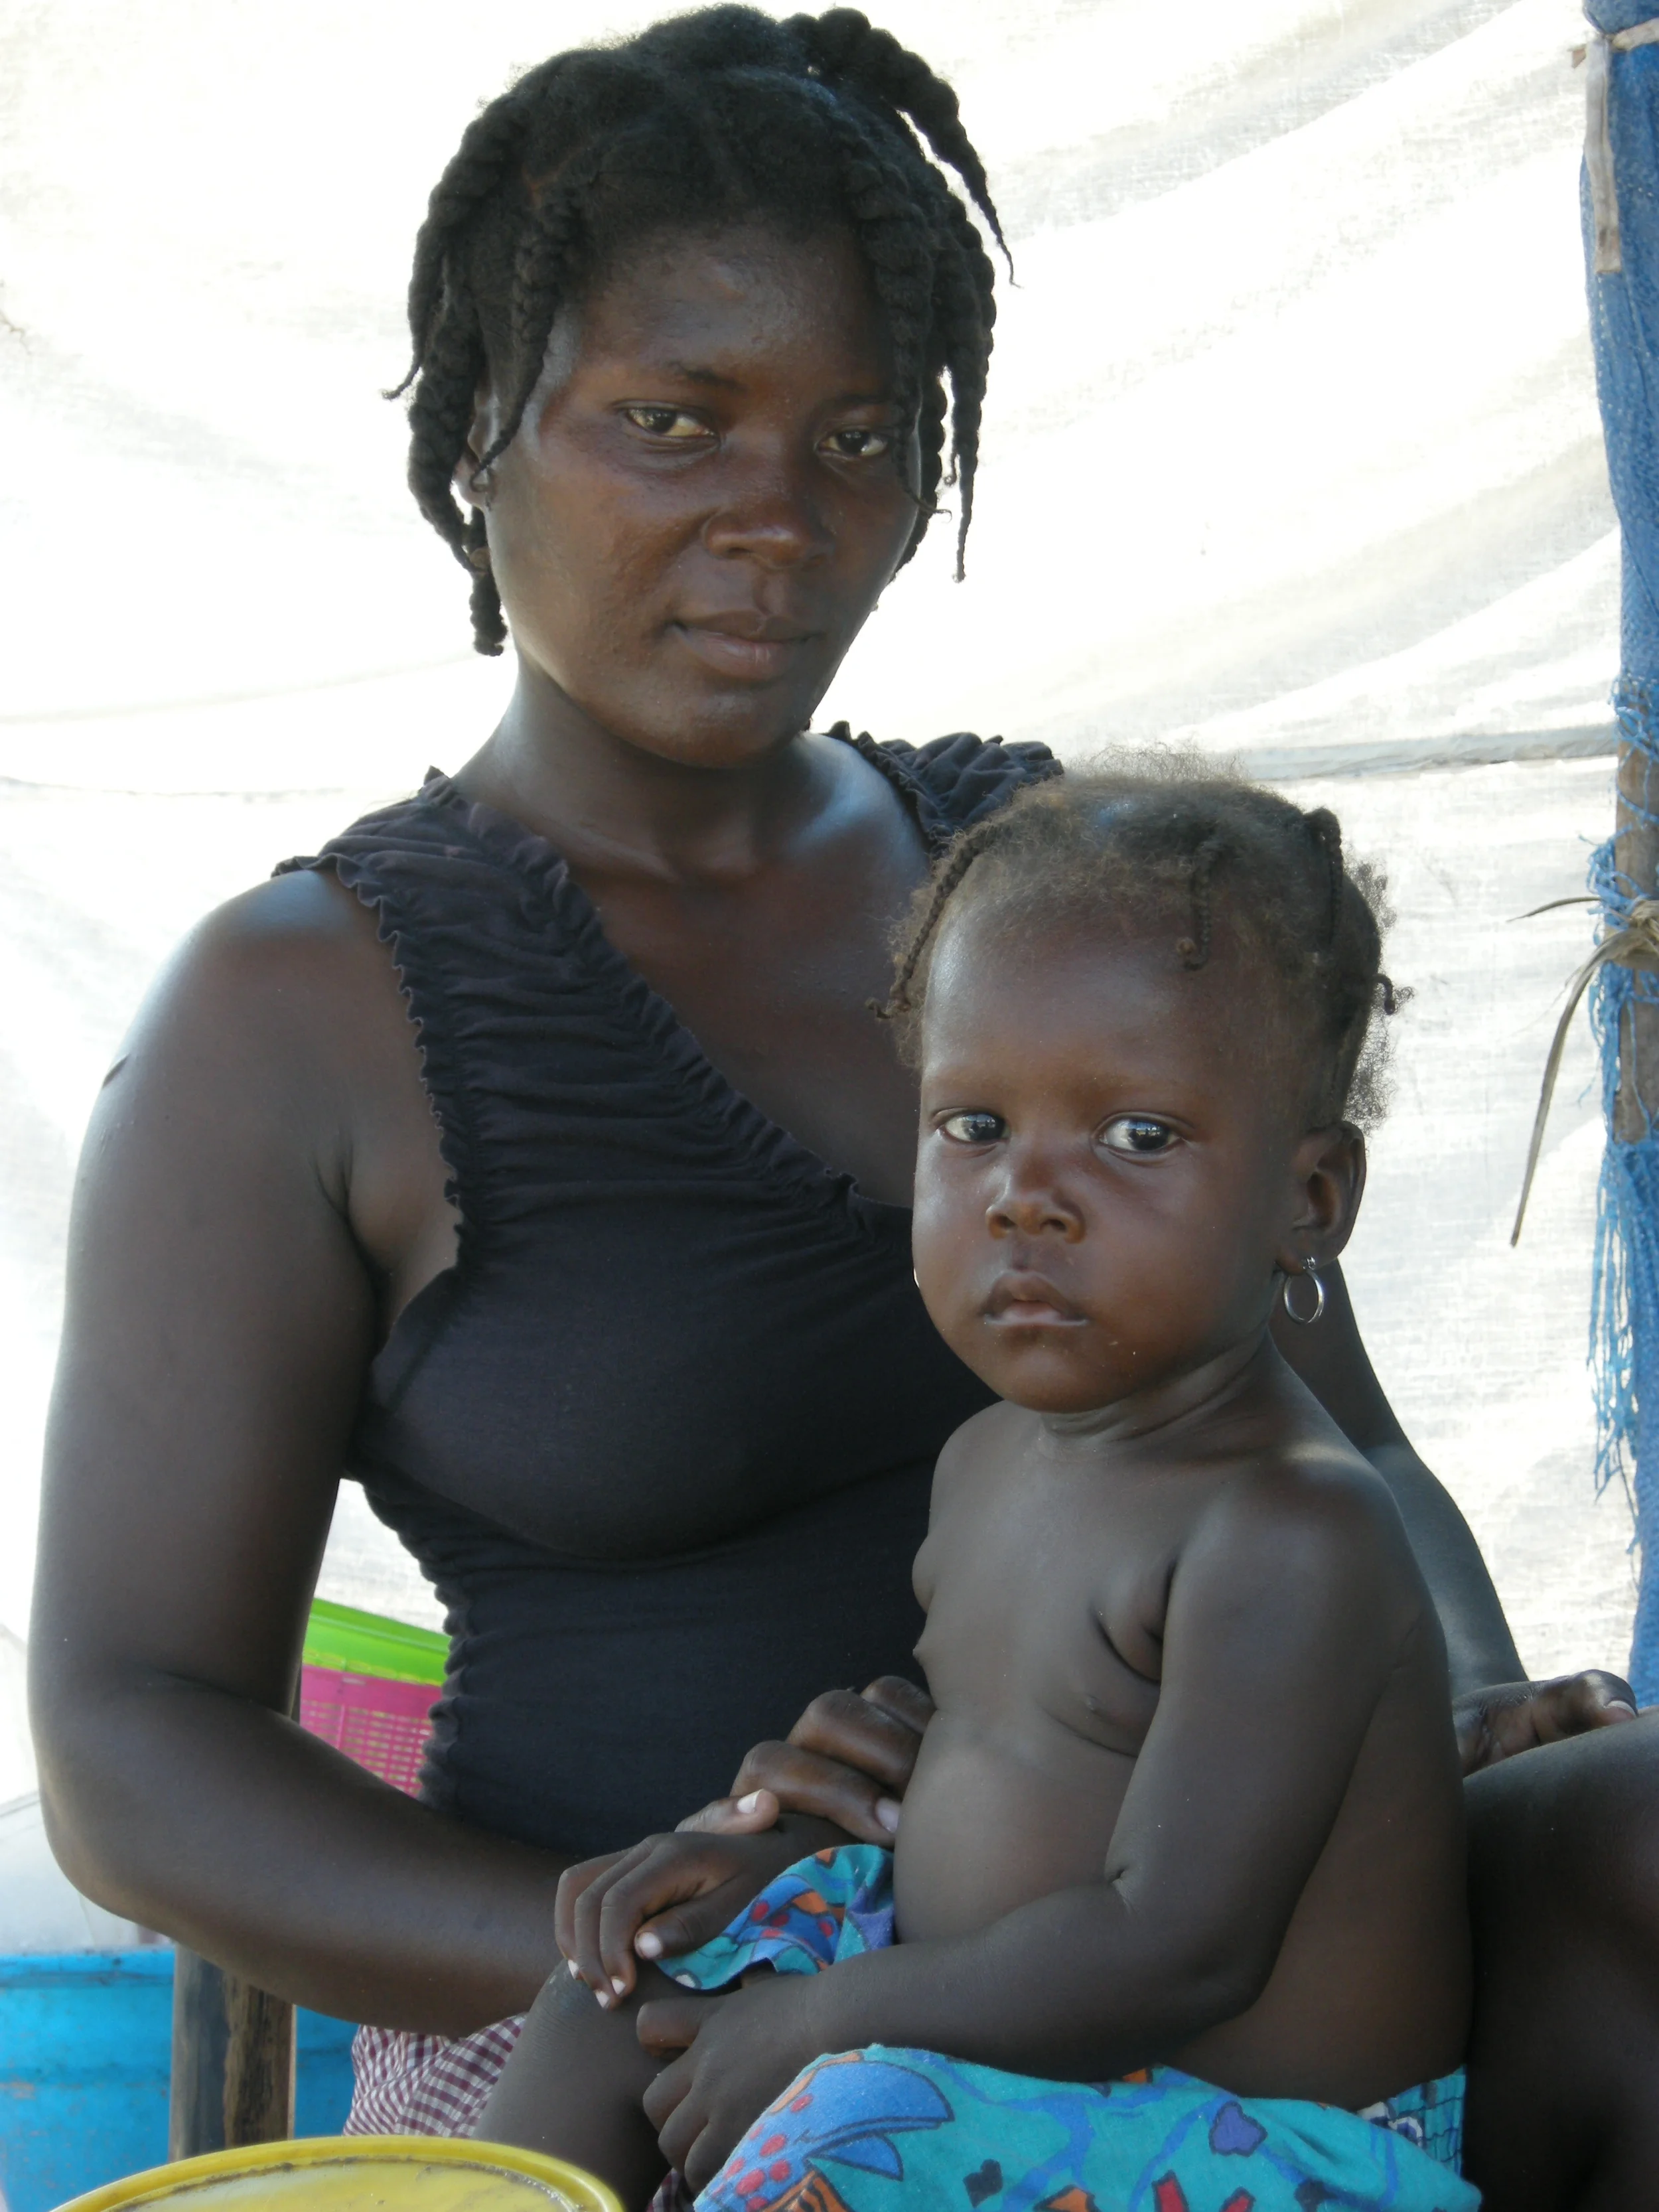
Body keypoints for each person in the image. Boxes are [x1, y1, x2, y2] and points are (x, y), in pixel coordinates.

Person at [25, 0, 1634, 2156]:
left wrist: (1456, 1692)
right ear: (483, 425)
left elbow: (1336, 1424)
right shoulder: (298, 1010)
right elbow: (132, 1738)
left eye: (861, 437)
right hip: (653, 2020)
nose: (780, 518)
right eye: (673, 420)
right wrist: (655, 1940)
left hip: (1214, 1943)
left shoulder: (1051, 889)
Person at [478, 764, 1476, 2212]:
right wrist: (786, 1847)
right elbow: (1008, 1769)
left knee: (853, 2121)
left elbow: (1173, 1948)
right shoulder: (988, 1458)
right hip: (1013, 2060)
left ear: (1308, 1199)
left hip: (1256, 2144)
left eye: (1136, 1135)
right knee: (625, 1987)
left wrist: (829, 2018)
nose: (1025, 1197)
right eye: (974, 1126)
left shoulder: (1284, 1529)